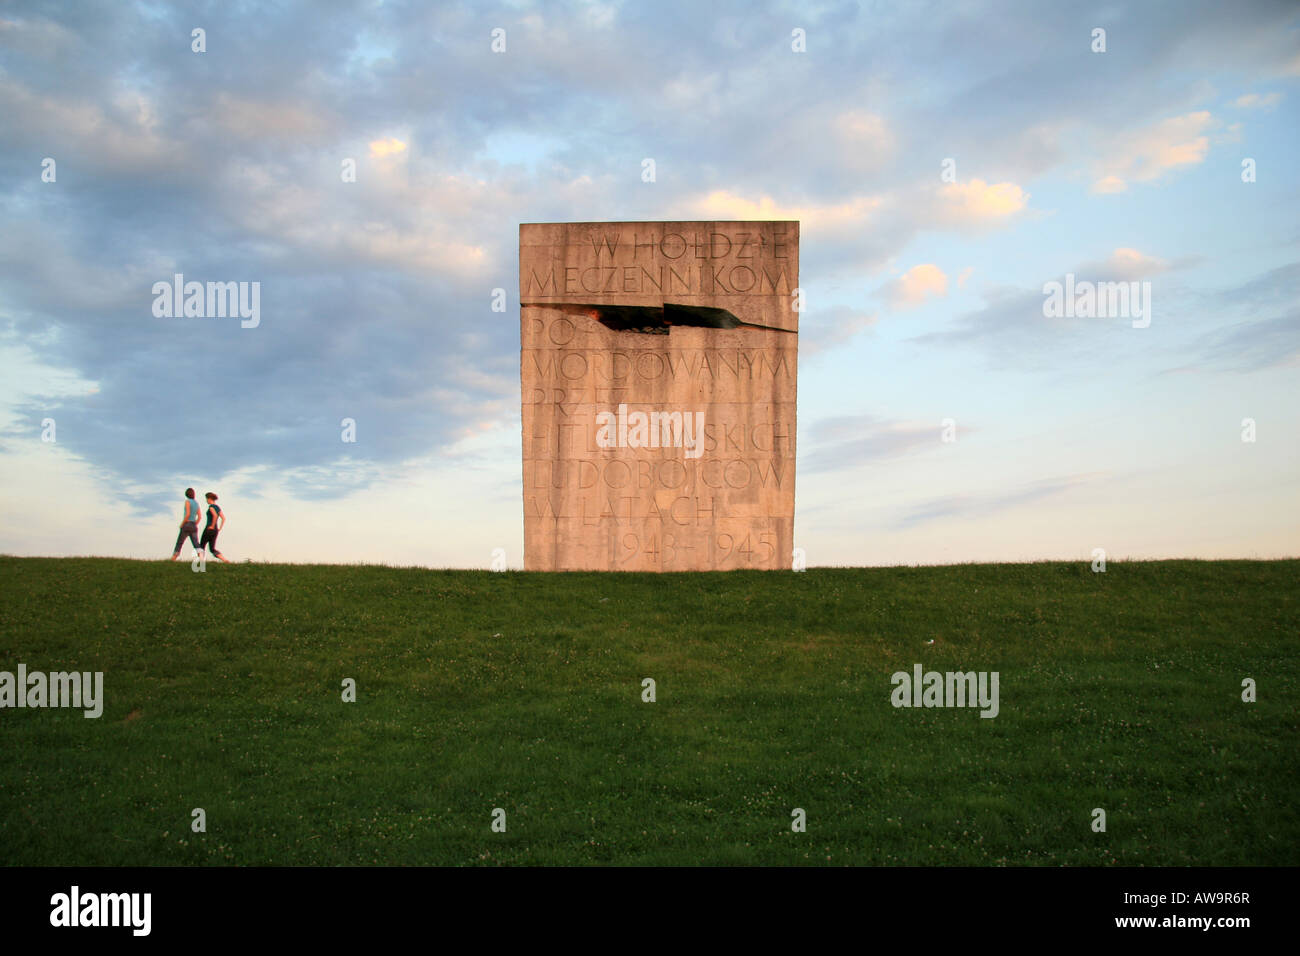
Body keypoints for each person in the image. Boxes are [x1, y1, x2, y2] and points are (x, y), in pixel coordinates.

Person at [171, 488, 202, 560]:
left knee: (180, 542)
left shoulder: (187, 501)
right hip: (193, 525)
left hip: (187, 524)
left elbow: (187, 514)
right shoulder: (196, 503)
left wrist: (182, 524)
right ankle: (201, 557)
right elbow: (200, 517)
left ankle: (174, 558)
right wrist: (195, 524)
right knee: (196, 543)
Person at [200, 492, 230, 563]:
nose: (206, 501)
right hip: (215, 530)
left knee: (201, 546)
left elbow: (215, 515)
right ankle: (224, 560)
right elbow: (223, 518)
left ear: (210, 499)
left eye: (206, 499)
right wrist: (219, 528)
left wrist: (212, 526)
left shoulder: (211, 507)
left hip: (209, 529)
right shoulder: (217, 507)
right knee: (212, 548)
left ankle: (201, 562)